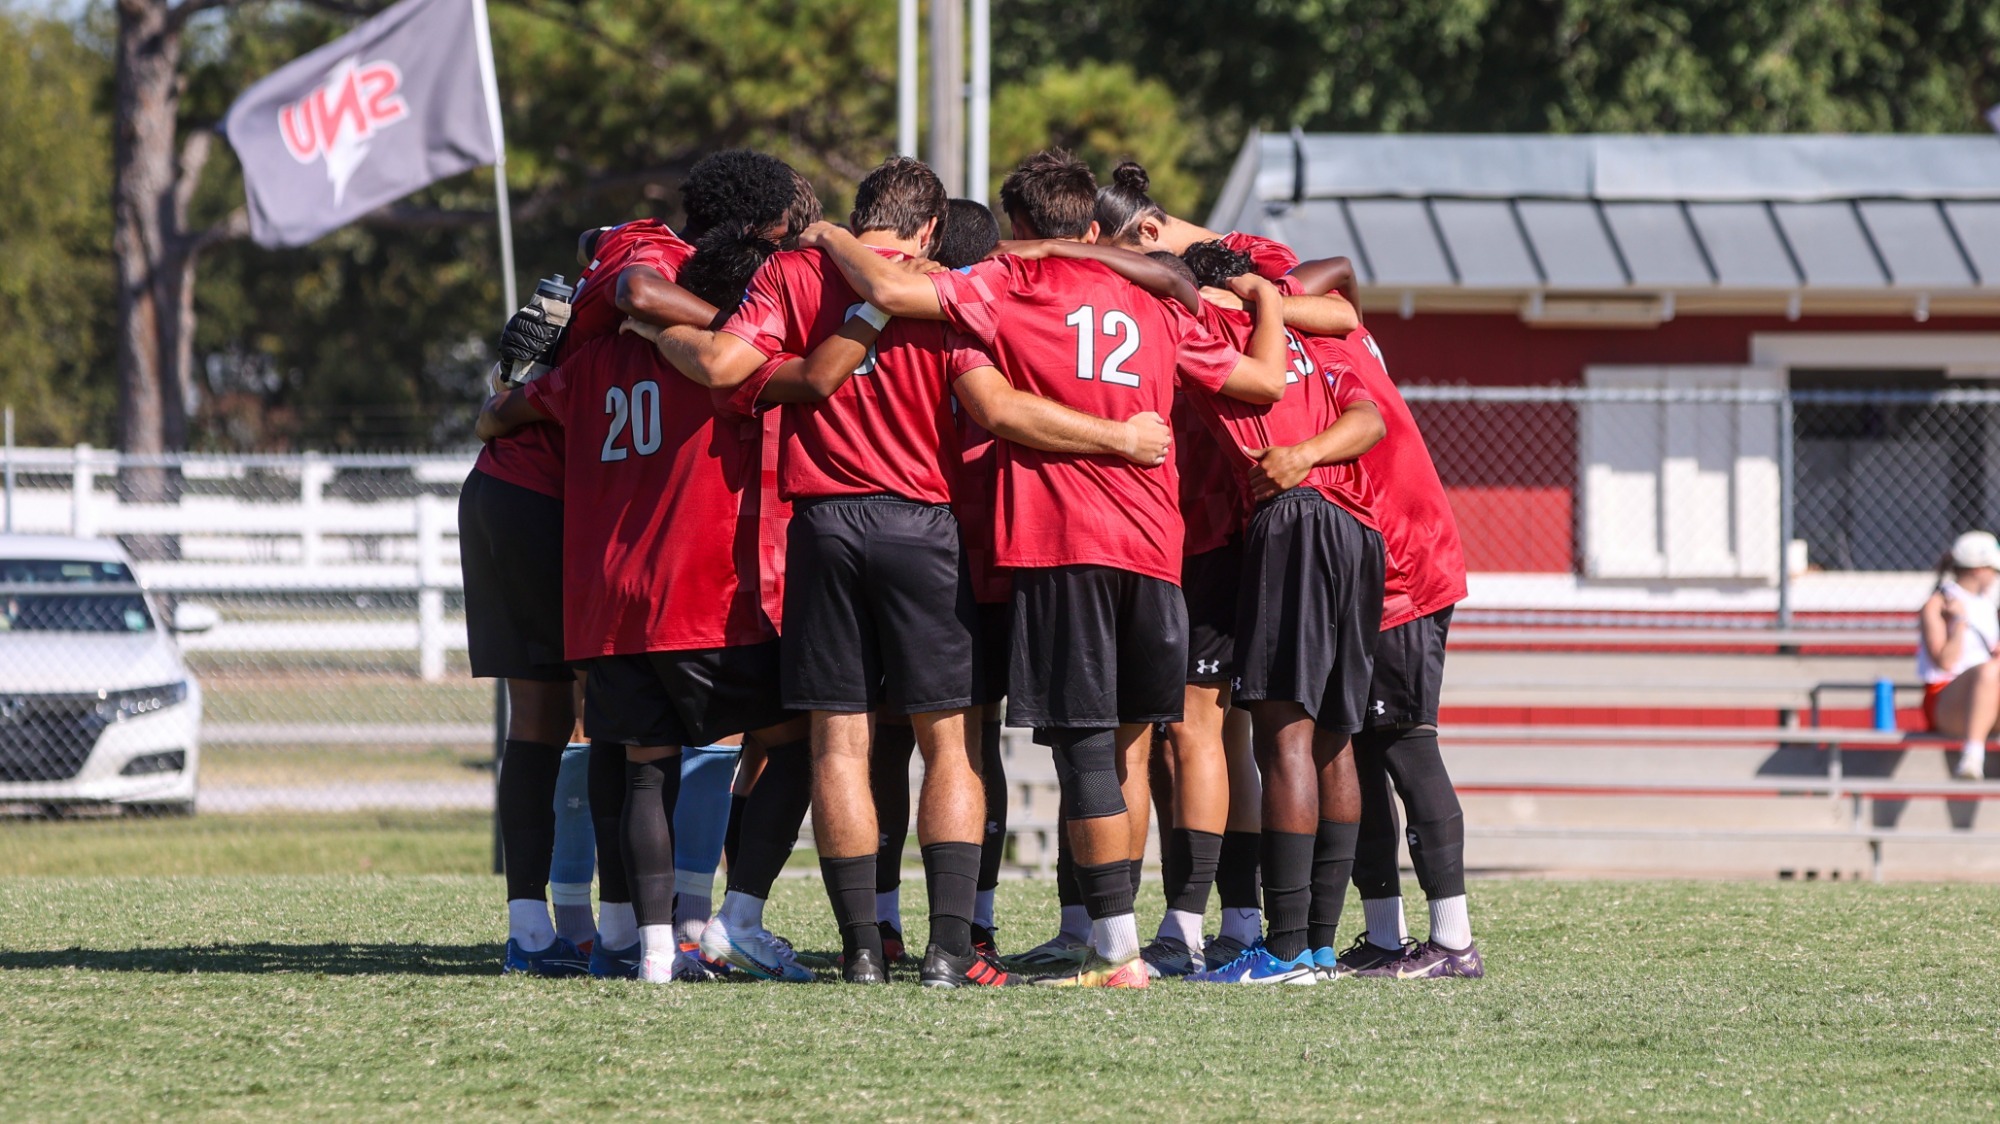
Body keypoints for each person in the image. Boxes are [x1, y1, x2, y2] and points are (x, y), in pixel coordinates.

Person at [639, 156, 1177, 987]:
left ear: (863, 214)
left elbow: (724, 365)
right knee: (952, 744)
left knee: (840, 744)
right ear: (930, 226)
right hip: (927, 526)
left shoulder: (792, 270)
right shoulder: (948, 284)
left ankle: (862, 949)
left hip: (823, 524)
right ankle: (952, 951)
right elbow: (991, 401)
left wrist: (652, 327)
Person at [800, 148, 1294, 989]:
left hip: (1066, 542)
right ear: (1094, 227)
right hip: (1156, 550)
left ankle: (1112, 952)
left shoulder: (1008, 286)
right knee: (1133, 752)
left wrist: (823, 233)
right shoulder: (1154, 300)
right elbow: (1262, 382)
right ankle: (1114, 937)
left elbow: (891, 294)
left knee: (1086, 756)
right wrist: (1264, 299)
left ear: (1020, 230)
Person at [475, 229, 814, 982]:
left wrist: (499, 401)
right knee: (792, 744)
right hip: (699, 600)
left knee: (640, 769)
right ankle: (729, 919)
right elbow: (805, 383)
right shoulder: (723, 367)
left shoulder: (591, 361)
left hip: (612, 604)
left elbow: (509, 409)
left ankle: (648, 951)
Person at [1166, 239, 1387, 986]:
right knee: (1334, 736)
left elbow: (1257, 392)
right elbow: (1369, 417)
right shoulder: (1309, 335)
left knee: (1282, 734)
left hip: (1292, 520)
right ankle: (1320, 946)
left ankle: (1284, 949)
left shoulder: (1208, 331)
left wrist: (1294, 459)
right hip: (1359, 528)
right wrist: (1318, 450)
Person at [1920, 531, 2000, 780]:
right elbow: (1945, 661)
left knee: (1992, 670)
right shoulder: (1938, 604)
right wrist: (1960, 623)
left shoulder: (1986, 604)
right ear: (1978, 569)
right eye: (1993, 569)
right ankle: (1973, 754)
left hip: (1985, 698)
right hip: (1945, 699)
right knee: (1990, 670)